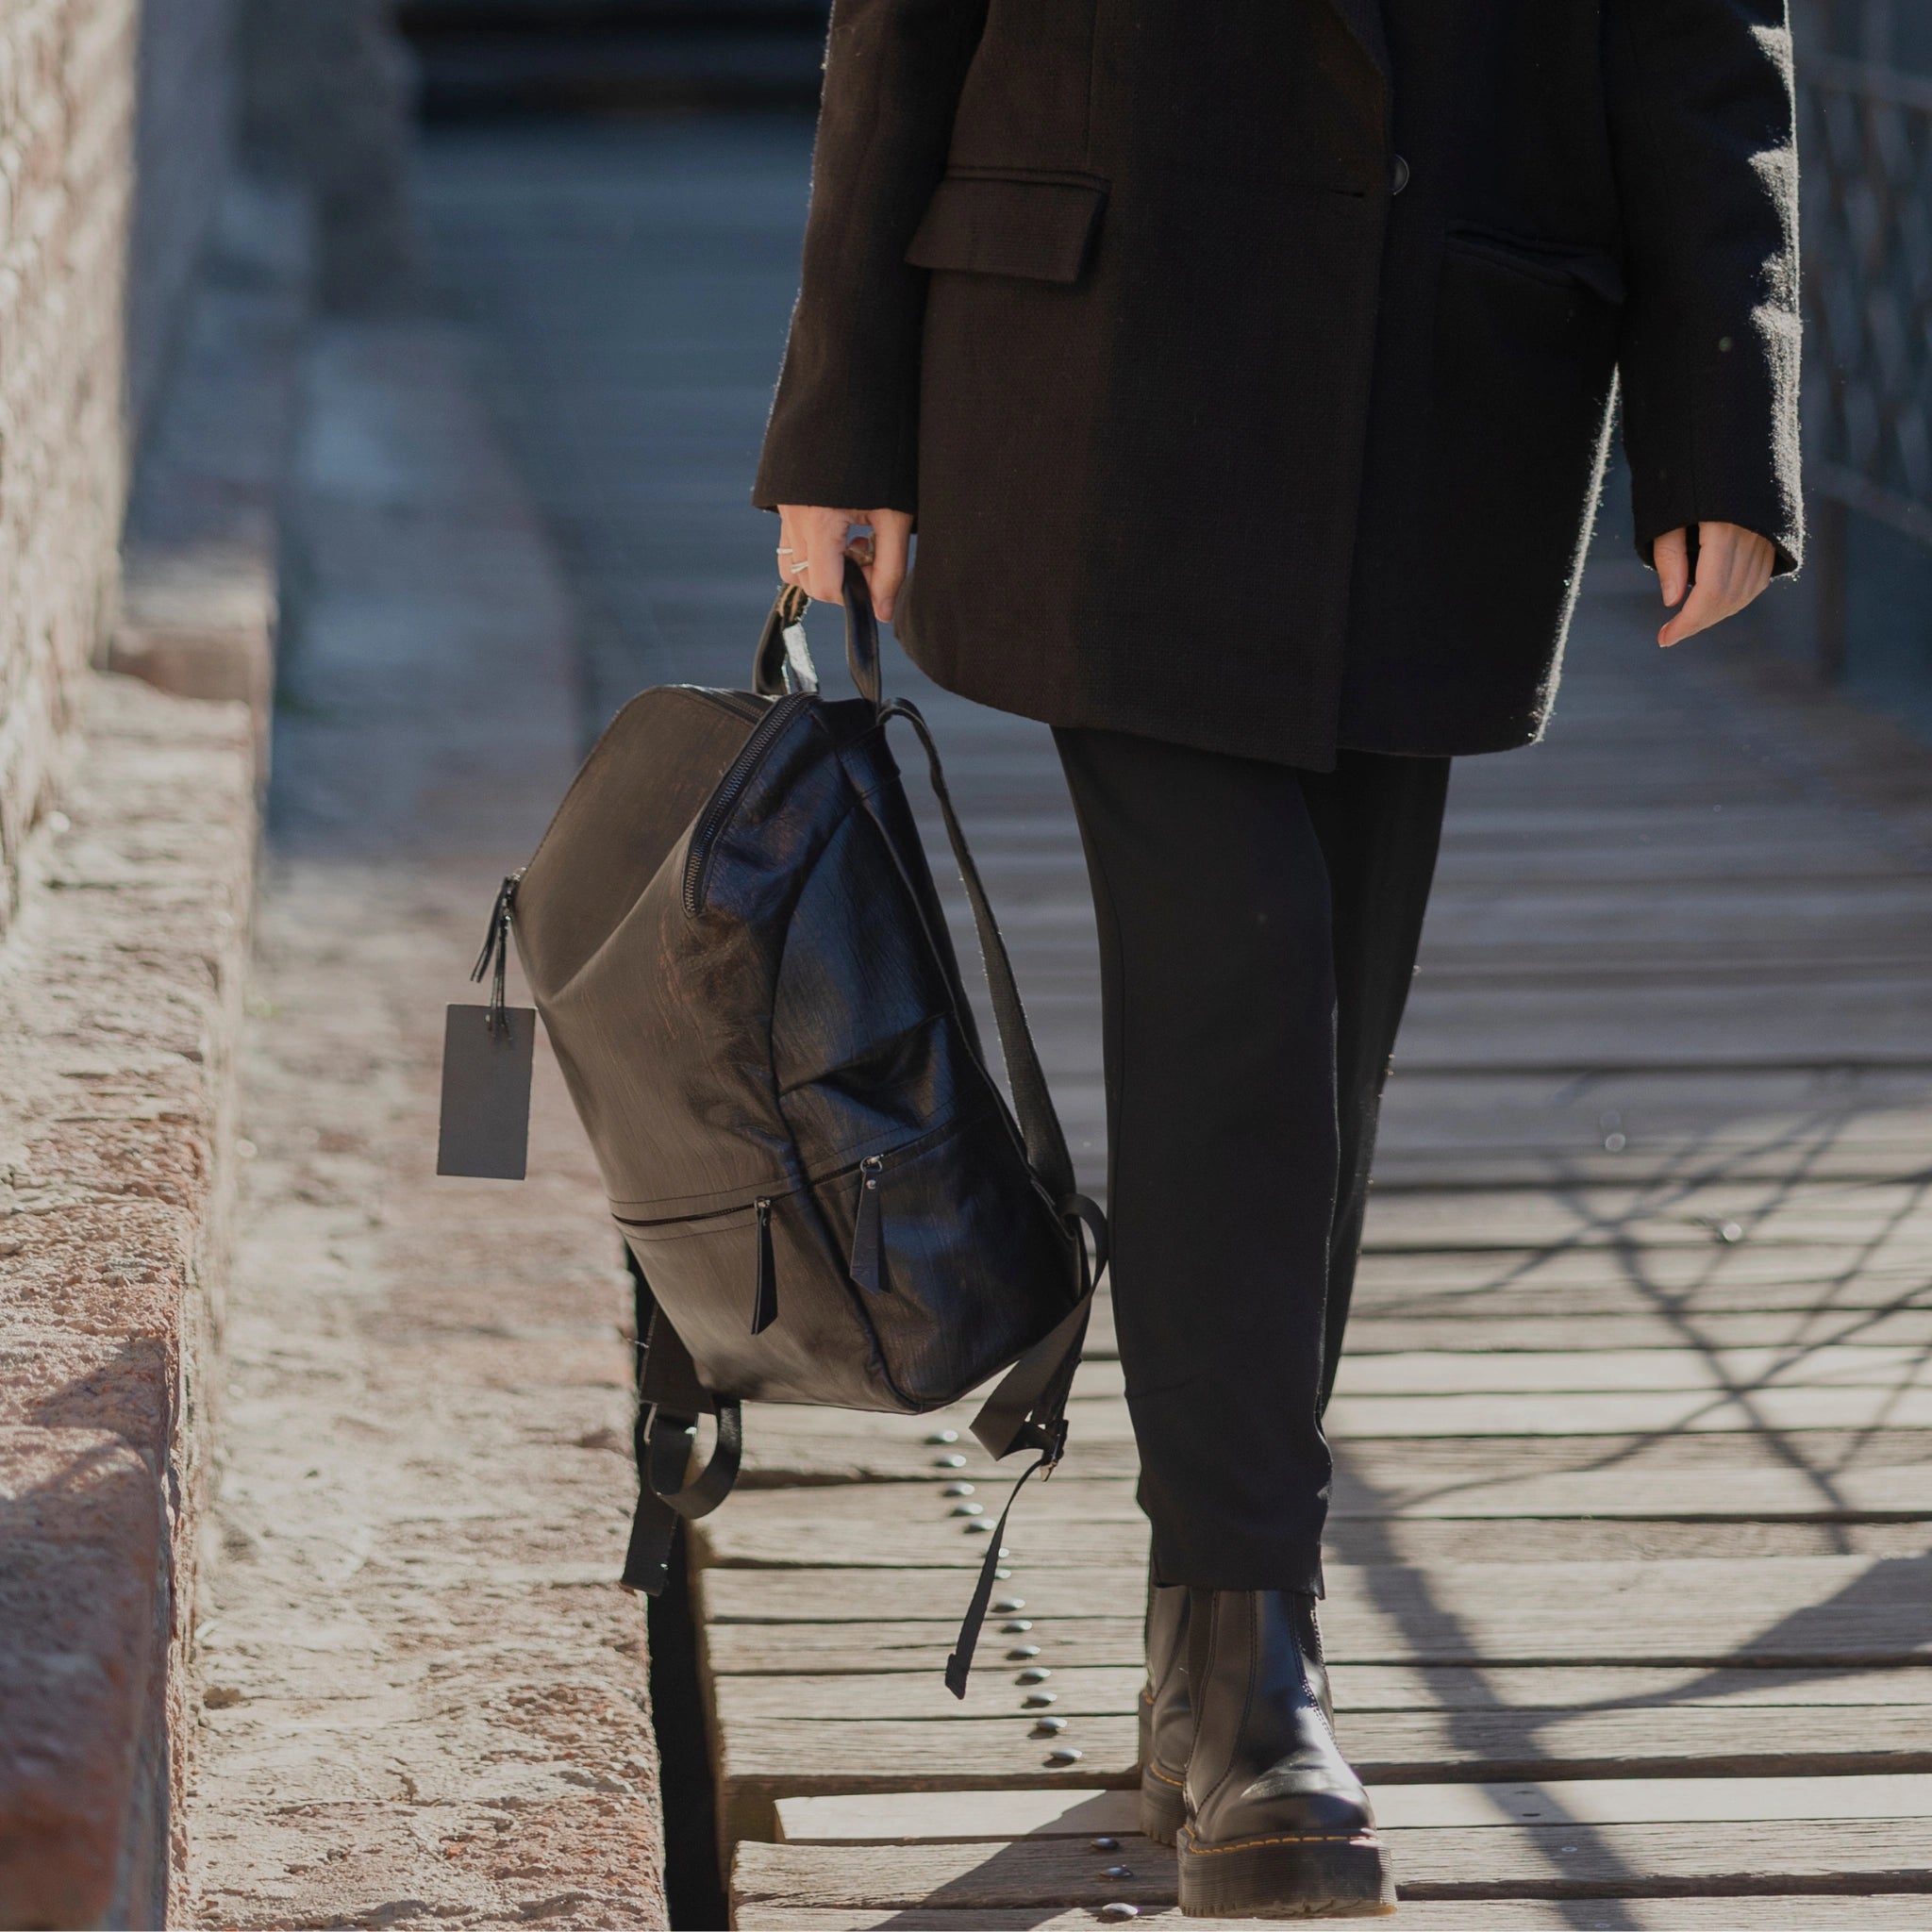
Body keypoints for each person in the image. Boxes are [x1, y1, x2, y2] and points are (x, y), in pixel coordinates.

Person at [753, 0, 1800, 1916]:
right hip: (1097, 350)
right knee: (1240, 984)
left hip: (1449, 338)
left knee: (1325, 1034)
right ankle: (1249, 1650)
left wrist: (1722, 392)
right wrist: (842, 406)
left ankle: (1204, 1636)